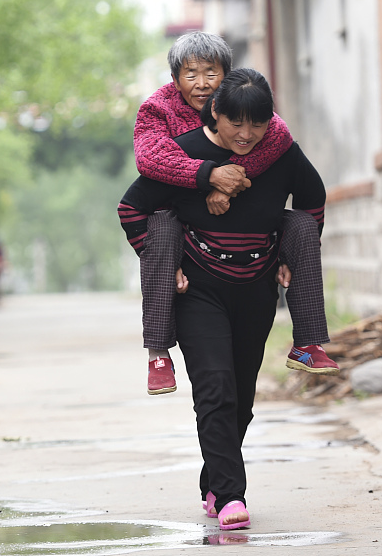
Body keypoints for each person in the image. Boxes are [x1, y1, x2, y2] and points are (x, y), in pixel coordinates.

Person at [118, 69, 325, 529]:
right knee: (214, 389)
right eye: (237, 124)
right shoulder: (187, 156)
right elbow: (132, 209)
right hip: (200, 288)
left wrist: (294, 256)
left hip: (256, 288)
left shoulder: (281, 153)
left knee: (242, 398)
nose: (247, 135)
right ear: (216, 113)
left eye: (258, 124)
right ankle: (231, 498)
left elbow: (312, 200)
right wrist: (161, 263)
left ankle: (215, 477)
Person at [133, 32, 335, 396]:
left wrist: (232, 182)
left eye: (211, 71)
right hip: (180, 220)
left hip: (251, 228)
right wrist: (209, 178)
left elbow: (274, 144)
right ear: (175, 77)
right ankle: (158, 354)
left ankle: (308, 343)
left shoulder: (250, 109)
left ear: (227, 73)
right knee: (160, 228)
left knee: (302, 224)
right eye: (190, 73)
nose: (201, 82)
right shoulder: (157, 110)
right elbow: (149, 160)